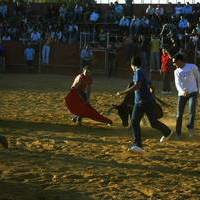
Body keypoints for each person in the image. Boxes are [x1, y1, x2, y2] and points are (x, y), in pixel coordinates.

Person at [116, 56, 173, 153]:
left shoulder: (137, 72)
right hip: (148, 101)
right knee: (153, 122)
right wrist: (151, 94)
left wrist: (122, 92)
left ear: (132, 65)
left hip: (141, 102)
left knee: (134, 121)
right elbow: (152, 86)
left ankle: (138, 145)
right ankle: (167, 132)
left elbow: (137, 86)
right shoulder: (144, 72)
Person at [173, 53, 200, 138]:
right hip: (182, 94)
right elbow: (177, 84)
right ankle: (178, 133)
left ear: (180, 61)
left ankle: (191, 129)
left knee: (192, 111)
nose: (174, 64)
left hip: (193, 92)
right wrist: (182, 91)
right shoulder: (176, 71)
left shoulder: (192, 67)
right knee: (179, 114)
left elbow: (198, 78)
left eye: (175, 62)